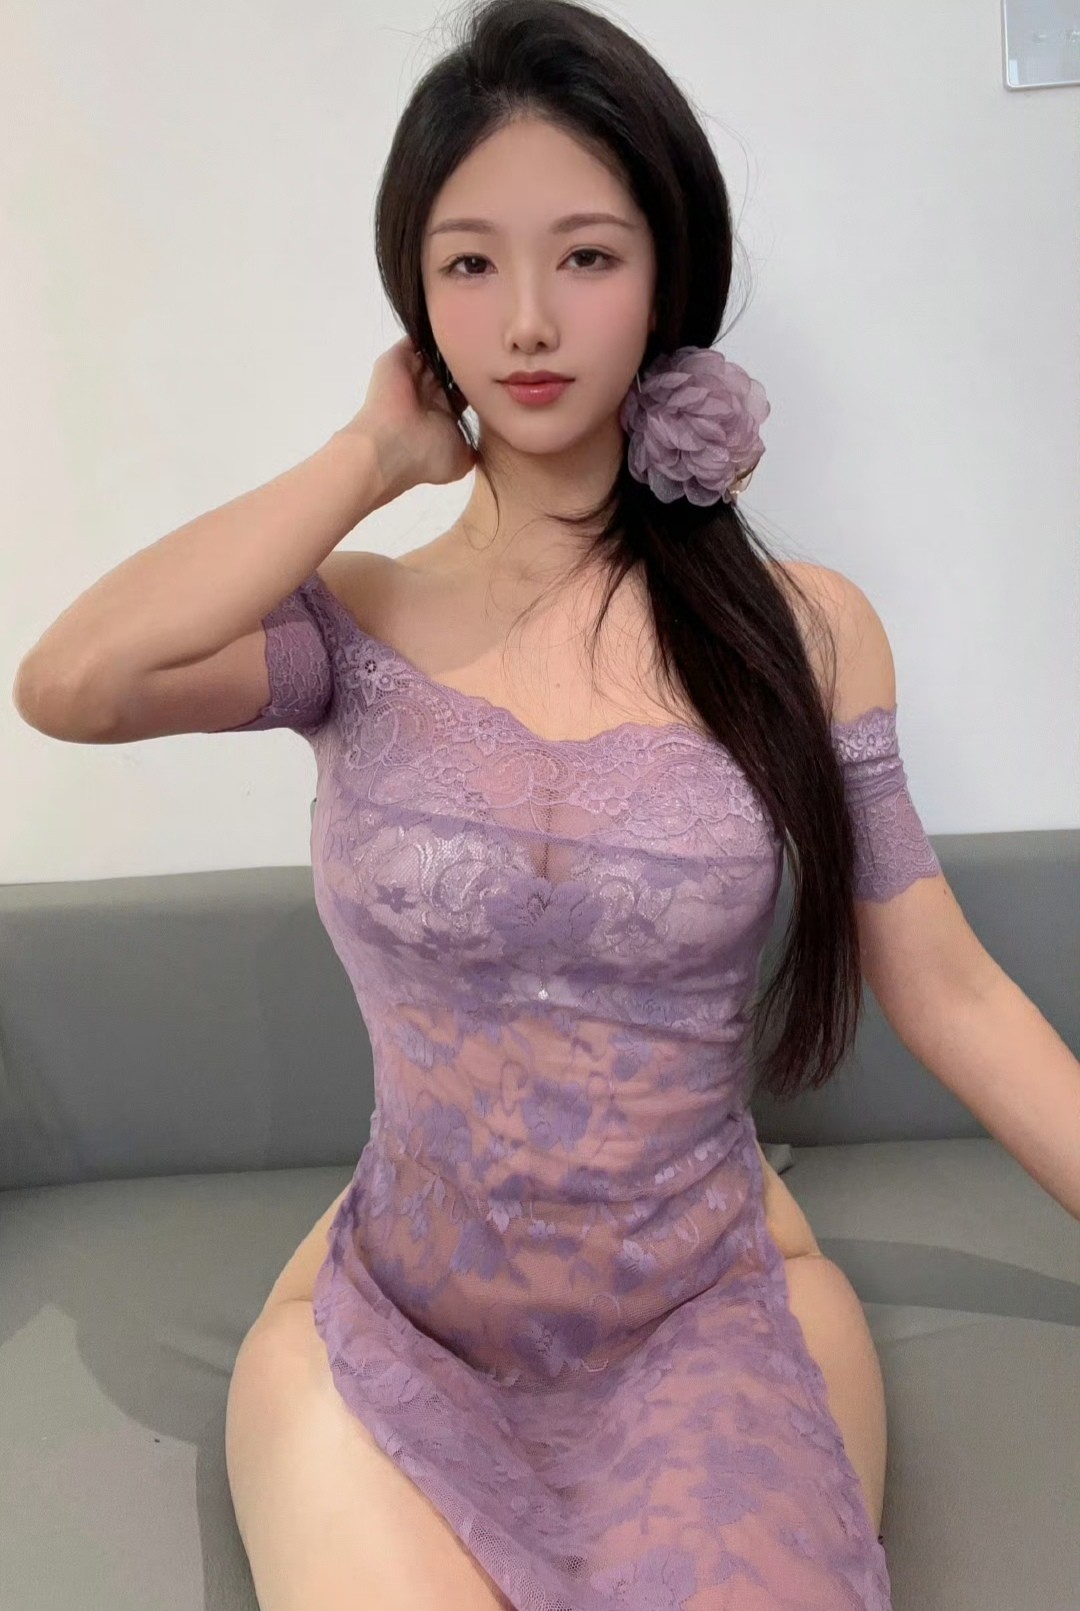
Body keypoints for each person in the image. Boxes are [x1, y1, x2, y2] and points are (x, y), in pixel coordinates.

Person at [17, 2, 990, 1605]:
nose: (527, 321)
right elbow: (74, 682)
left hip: (709, 1311)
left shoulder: (805, 634)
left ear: (668, 272)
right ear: (417, 299)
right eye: (470, 265)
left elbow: (946, 987)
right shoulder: (354, 619)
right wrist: (369, 453)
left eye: (587, 257)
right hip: (394, 1323)